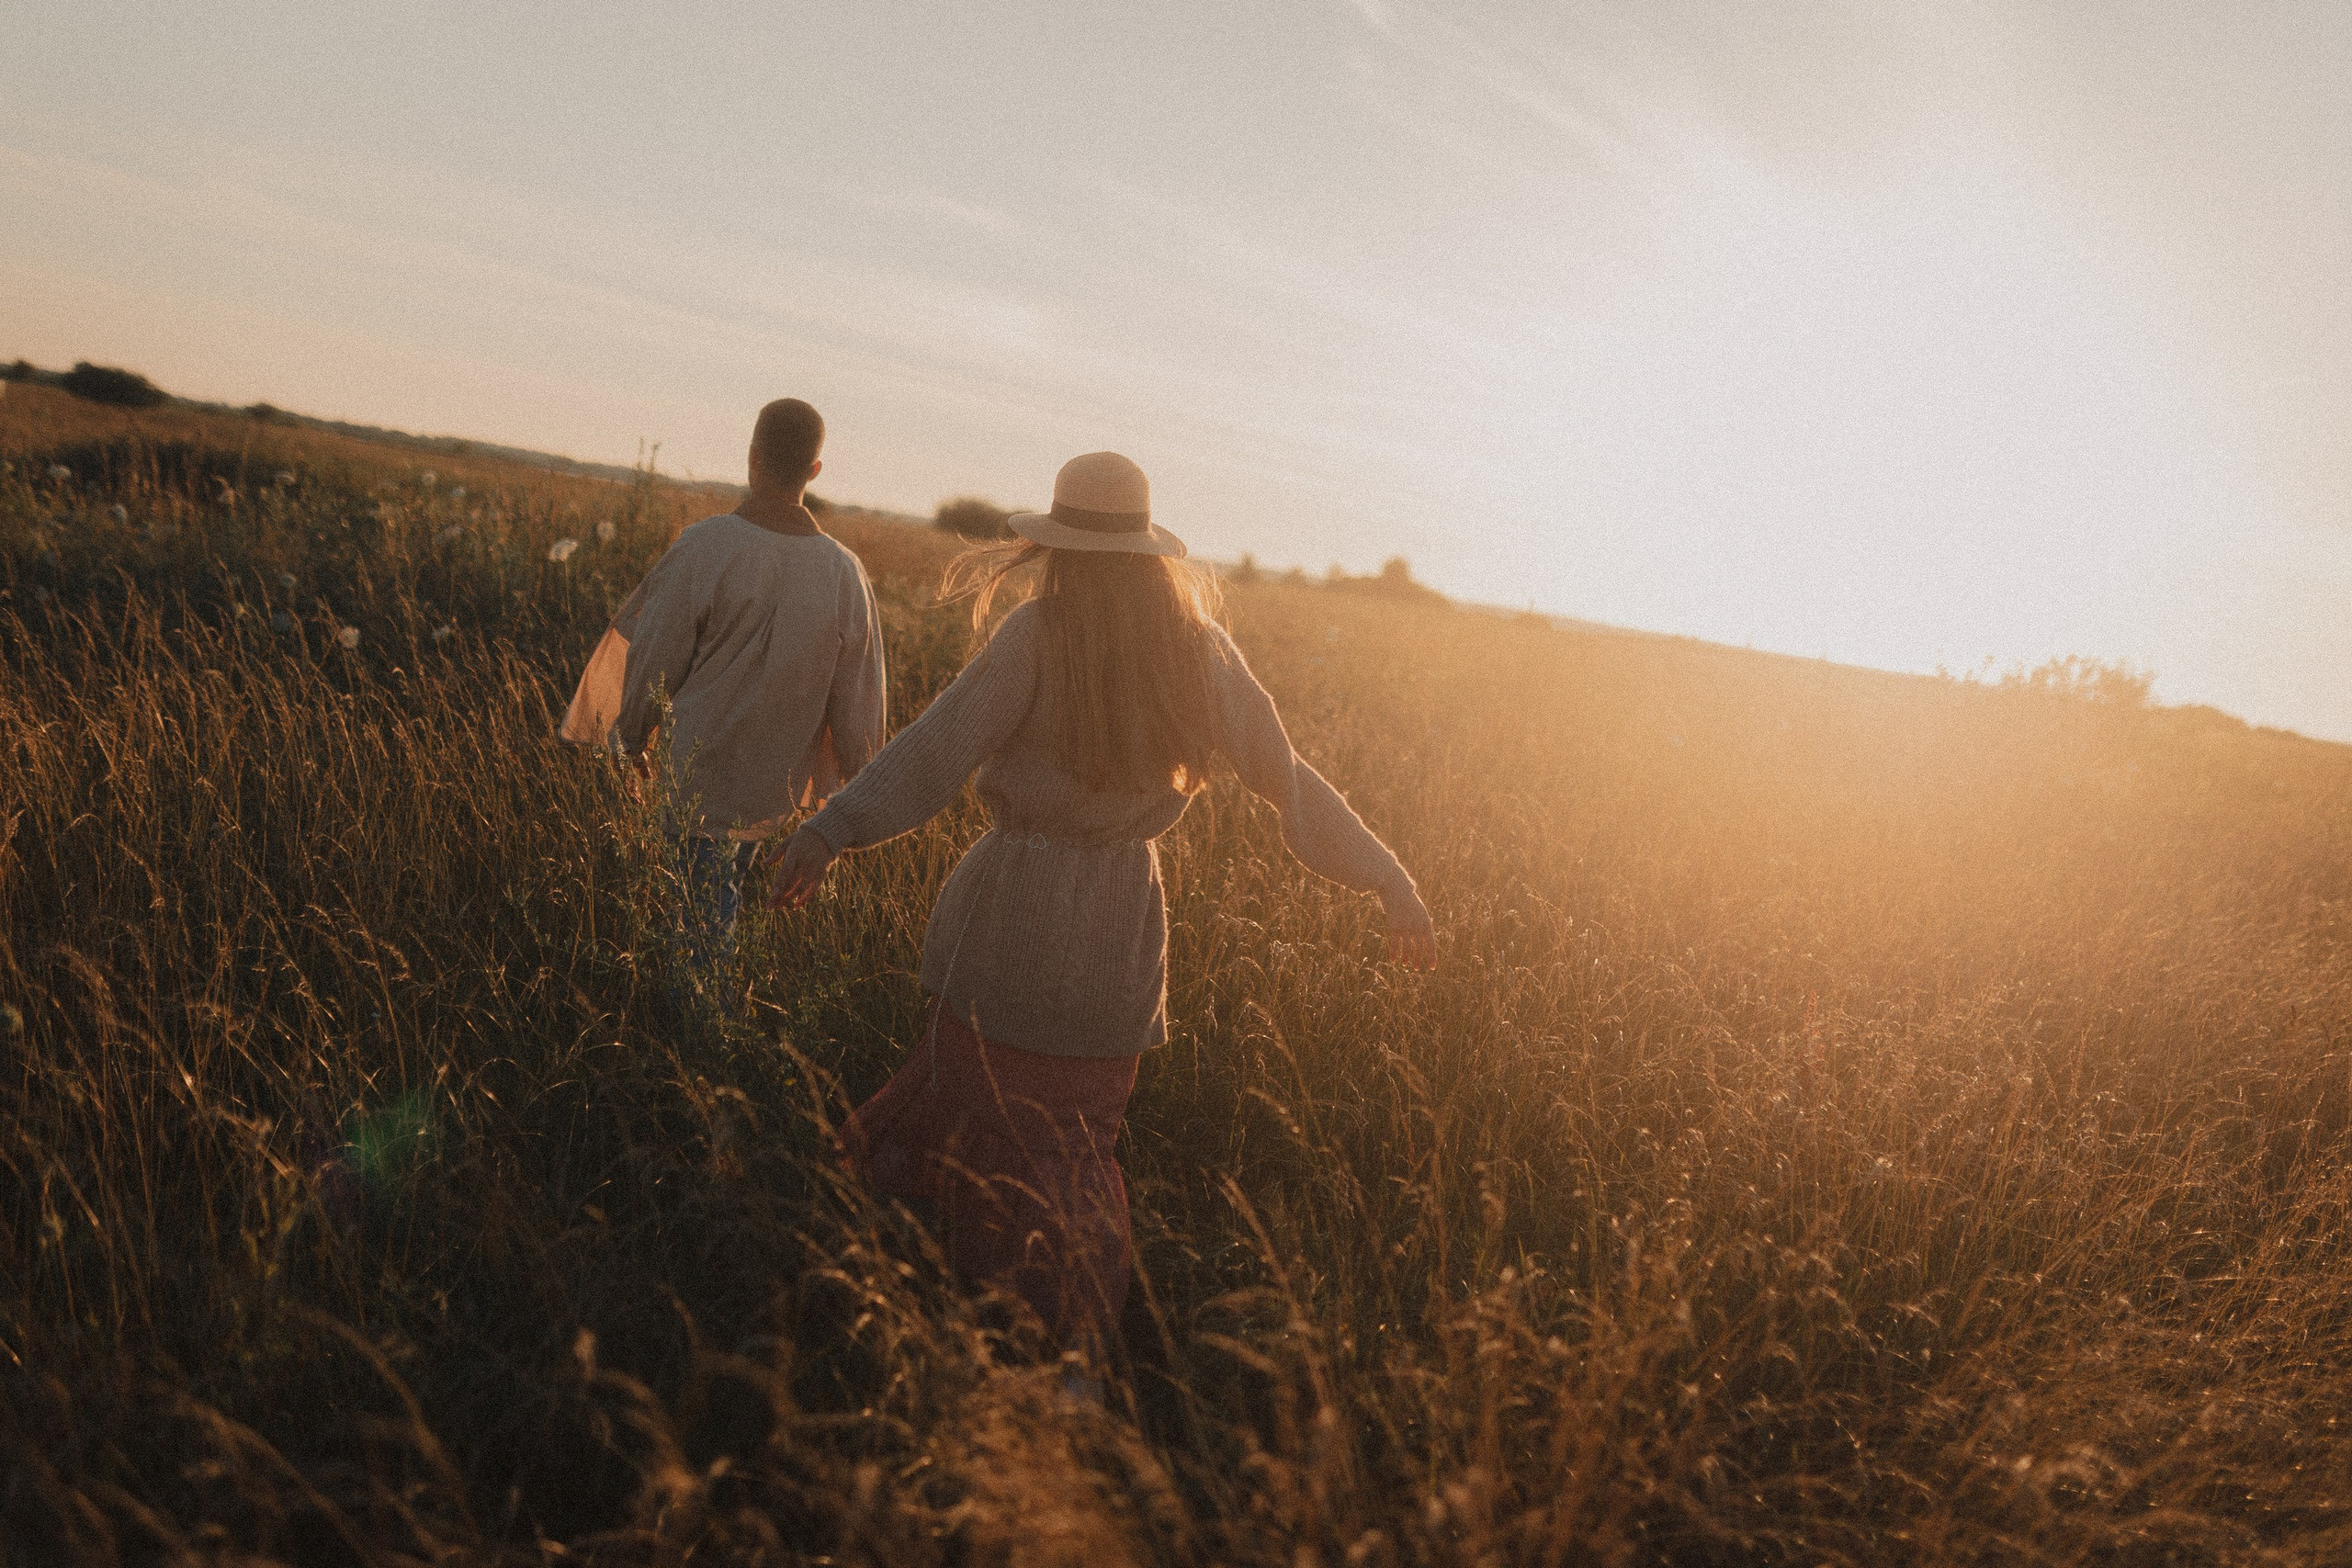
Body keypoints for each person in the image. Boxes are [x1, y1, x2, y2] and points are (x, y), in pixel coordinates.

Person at [766, 450, 1433, 1371]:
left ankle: (917, 1328)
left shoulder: (1036, 635)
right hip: (1119, 944)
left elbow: (936, 750)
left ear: (1061, 548)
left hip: (1007, 928)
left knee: (967, 1126)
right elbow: (1292, 784)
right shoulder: (1198, 651)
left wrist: (833, 827)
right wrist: (1388, 878)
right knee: (1073, 1153)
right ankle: (1064, 1353)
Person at [561, 398, 885, 988]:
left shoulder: (704, 547)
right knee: (725, 936)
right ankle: (712, 1049)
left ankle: (700, 1056)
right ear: (815, 470)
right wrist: (848, 808)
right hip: (782, 795)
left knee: (701, 946)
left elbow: (655, 661)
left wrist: (629, 740)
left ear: (752, 457)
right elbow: (856, 705)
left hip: (697, 782)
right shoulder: (846, 573)